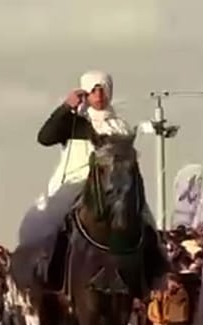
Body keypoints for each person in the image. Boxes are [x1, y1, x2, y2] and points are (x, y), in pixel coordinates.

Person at [13, 70, 167, 291]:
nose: (99, 94)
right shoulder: (75, 122)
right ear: (85, 92)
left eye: (103, 88)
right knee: (48, 223)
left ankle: (152, 277)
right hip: (78, 183)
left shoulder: (120, 126)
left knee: (146, 223)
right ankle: (50, 275)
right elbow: (44, 138)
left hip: (115, 186)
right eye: (94, 89)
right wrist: (66, 107)